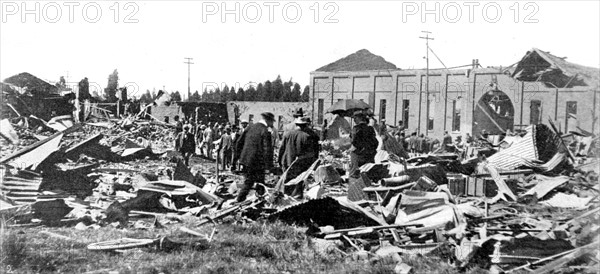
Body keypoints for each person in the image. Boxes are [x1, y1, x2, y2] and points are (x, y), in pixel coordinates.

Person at [234, 112, 275, 202]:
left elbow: (238, 143)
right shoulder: (265, 131)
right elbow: (267, 150)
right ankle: (240, 199)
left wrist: (238, 158)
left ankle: (258, 199)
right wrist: (269, 166)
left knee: (256, 181)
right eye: (272, 122)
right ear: (268, 120)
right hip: (257, 162)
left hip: (245, 160)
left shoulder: (249, 127)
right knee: (251, 181)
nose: (272, 124)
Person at [277, 116, 320, 198]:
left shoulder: (288, 134)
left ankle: (286, 198)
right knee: (298, 182)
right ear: (305, 125)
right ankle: (296, 199)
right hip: (299, 163)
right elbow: (310, 153)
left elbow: (282, 148)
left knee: (287, 181)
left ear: (296, 124)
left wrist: (280, 160)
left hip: (287, 161)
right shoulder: (307, 136)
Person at [348, 111, 378, 177]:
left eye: (355, 118)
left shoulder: (356, 128)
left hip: (358, 155)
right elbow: (376, 143)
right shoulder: (370, 128)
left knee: (355, 174)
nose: (354, 120)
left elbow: (354, 141)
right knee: (368, 173)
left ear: (359, 118)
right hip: (369, 155)